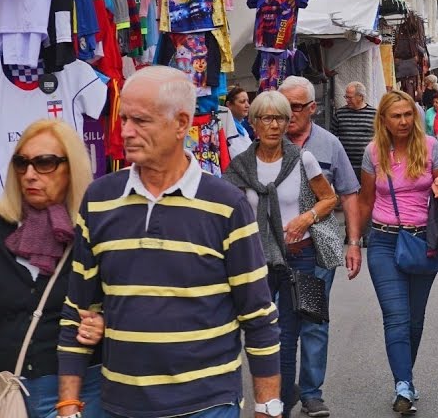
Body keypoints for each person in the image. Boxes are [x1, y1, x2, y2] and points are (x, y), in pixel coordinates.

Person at [57, 66, 283, 418]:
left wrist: (267, 406)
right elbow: (79, 310)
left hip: (207, 405)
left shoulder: (225, 205)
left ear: (181, 124)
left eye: (140, 121)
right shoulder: (99, 200)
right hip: (120, 405)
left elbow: (257, 315)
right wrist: (68, 404)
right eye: (123, 119)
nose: (126, 132)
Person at [0, 120, 106, 418]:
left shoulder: (95, 227)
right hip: (10, 394)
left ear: (71, 168)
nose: (30, 174)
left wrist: (104, 323)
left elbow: (124, 302)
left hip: (84, 394)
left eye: (45, 163)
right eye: (22, 163)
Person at [223, 91, 340, 417]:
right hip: (254, 261)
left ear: (289, 122)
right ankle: (268, 394)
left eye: (280, 119)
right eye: (266, 118)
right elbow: (224, 210)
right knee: (253, 331)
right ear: (254, 123)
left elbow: (328, 199)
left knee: (286, 335)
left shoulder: (303, 159)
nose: (273, 125)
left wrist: (306, 217)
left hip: (298, 258)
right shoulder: (240, 167)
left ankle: (280, 407)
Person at [358, 90, 438, 414]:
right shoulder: (373, 152)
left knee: (414, 320)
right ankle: (403, 386)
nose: (403, 121)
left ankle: (405, 378)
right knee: (395, 316)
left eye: (408, 114)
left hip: (423, 241)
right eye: (396, 116)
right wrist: (355, 242)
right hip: (383, 240)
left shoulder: (430, 148)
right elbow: (365, 200)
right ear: (383, 119)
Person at [280, 76, 362, 418]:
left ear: (312, 108)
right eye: (284, 107)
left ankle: (311, 393)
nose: (288, 115)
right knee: (277, 328)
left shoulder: (328, 145)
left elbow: (347, 193)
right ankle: (282, 392)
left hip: (313, 251)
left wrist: (353, 242)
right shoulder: (263, 144)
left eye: (296, 107)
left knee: (312, 322)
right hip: (271, 253)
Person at [332, 81, 376, 172]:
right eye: (346, 97)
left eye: (349, 97)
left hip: (368, 166)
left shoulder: (375, 114)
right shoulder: (339, 113)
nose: (347, 100)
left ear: (361, 97)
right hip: (345, 166)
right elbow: (332, 138)